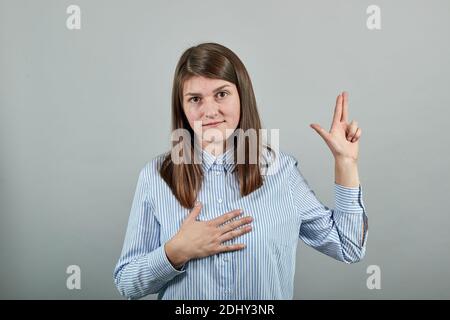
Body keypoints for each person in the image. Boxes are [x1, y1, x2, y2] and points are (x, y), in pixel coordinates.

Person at [113, 42, 368, 300]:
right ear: (182, 107)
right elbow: (127, 283)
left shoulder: (282, 172)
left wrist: (345, 163)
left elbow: (348, 247)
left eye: (221, 94)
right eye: (195, 99)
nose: (210, 111)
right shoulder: (155, 176)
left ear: (242, 96)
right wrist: (175, 252)